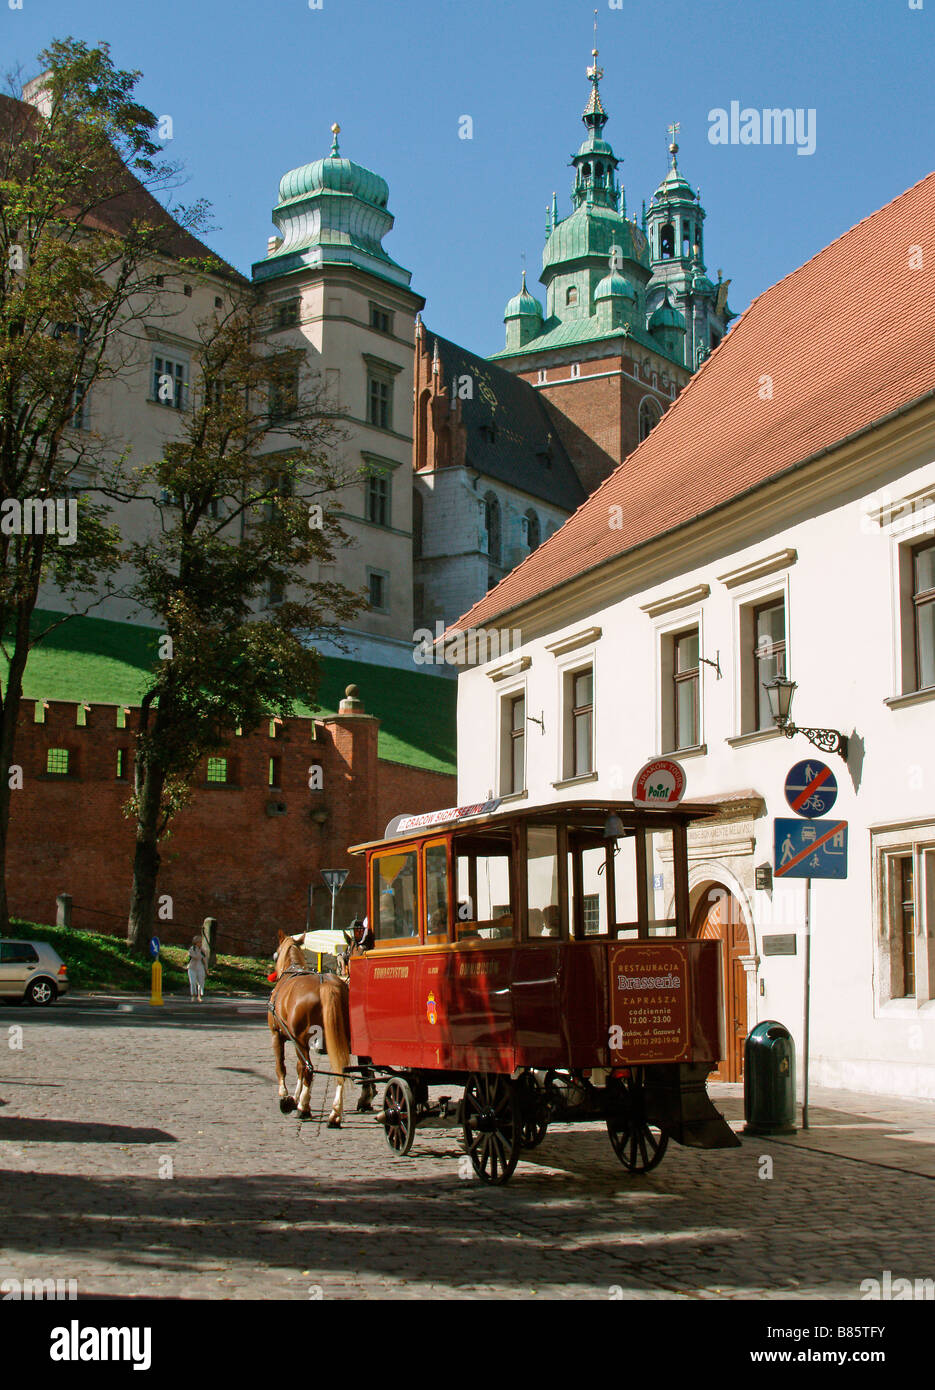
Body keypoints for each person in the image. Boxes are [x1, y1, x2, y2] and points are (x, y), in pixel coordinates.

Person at [186, 937, 207, 1002]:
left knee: (201, 982)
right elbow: (195, 956)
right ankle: (193, 996)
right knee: (193, 982)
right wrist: (200, 952)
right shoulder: (192, 949)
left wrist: (206, 968)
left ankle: (199, 996)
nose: (200, 943)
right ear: (195, 943)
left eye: (201, 942)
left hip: (200, 967)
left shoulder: (202, 950)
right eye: (199, 942)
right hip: (192, 967)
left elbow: (205, 959)